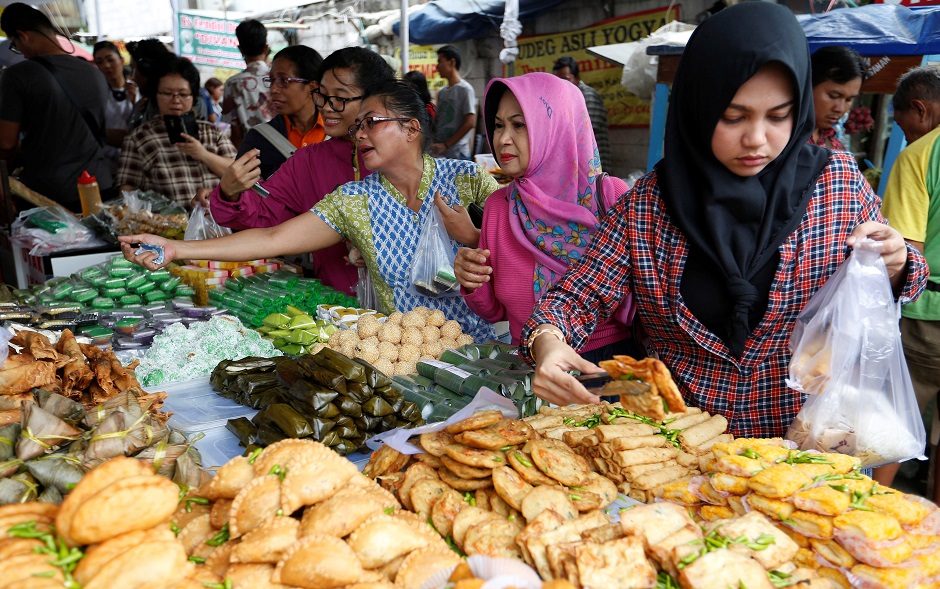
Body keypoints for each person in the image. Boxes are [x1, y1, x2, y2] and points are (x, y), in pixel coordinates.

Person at [520, 2, 928, 439]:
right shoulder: (648, 207)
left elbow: (906, 279)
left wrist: (897, 261)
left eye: (778, 116)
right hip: (680, 449)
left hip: (810, 452)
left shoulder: (839, 187)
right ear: (698, 108)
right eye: (732, 117)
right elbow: (573, 298)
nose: (756, 139)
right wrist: (546, 341)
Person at [121, 80, 499, 341]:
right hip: (402, 355)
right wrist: (176, 249)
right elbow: (272, 238)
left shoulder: (466, 179)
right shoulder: (353, 200)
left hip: (482, 348)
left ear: (412, 128)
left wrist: (470, 236)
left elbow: (526, 245)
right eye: (357, 127)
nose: (360, 134)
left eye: (372, 123)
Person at [454, 72, 638, 361]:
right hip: (527, 367)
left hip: (607, 366)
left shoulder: (610, 196)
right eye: (499, 125)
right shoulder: (500, 206)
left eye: (519, 125)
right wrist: (471, 280)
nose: (502, 139)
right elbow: (494, 312)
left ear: (556, 125)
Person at [205, 46, 392, 297]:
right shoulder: (309, 160)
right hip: (338, 306)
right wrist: (230, 192)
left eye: (340, 97)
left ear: (376, 99)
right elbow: (266, 219)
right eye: (322, 96)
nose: (326, 107)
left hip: (411, 311)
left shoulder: (401, 154)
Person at [876, 66, 940, 501]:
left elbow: (905, 254)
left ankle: (868, 512)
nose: (907, 135)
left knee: (893, 418)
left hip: (927, 319)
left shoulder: (920, 156)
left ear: (921, 109)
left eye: (904, 126)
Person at [0, 2, 112, 212]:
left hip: (47, 195)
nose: (21, 53)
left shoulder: (18, 75)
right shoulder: (94, 73)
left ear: (22, 36)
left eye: (16, 45)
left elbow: (6, 143)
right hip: (100, 186)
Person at [116, 54, 236, 208]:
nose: (176, 100)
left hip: (219, 225)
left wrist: (203, 154)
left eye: (183, 94)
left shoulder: (212, 132)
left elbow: (236, 173)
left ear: (193, 96)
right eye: (167, 93)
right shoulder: (139, 139)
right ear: (155, 95)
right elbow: (126, 191)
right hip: (169, 228)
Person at [222, 19, 276, 148]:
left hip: (254, 154)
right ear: (266, 48)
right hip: (287, 148)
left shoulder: (233, 84)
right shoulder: (279, 78)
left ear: (240, 49)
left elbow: (236, 133)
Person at [553, 56, 611, 172]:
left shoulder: (587, 96)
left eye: (566, 79)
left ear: (577, 78)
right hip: (578, 166)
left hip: (595, 166)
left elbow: (582, 133)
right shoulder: (564, 99)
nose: (562, 84)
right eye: (558, 81)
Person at [809, 46, 868, 151]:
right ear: (808, 86)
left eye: (848, 100)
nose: (840, 109)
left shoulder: (836, 146)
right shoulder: (782, 139)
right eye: (833, 96)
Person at [94, 41, 136, 176]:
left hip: (133, 163)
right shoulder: (96, 94)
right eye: (99, 62)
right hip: (106, 165)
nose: (106, 66)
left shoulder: (137, 90)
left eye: (110, 60)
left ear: (122, 60)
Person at [432, 45, 476, 160]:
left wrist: (446, 144)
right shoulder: (442, 92)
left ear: (452, 62)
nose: (437, 67)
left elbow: (470, 122)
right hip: (442, 153)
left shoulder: (465, 89)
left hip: (458, 153)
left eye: (440, 62)